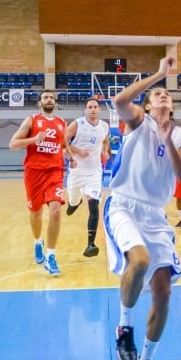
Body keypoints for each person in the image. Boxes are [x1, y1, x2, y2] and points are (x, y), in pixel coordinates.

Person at [105, 56, 181, 360]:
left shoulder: (180, 135)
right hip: (124, 205)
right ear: (148, 105)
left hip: (156, 216)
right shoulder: (137, 122)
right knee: (138, 260)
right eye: (157, 94)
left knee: (163, 291)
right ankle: (124, 328)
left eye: (165, 93)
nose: (163, 96)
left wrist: (168, 137)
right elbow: (119, 101)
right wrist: (158, 74)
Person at [8, 90, 71, 277]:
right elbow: (13, 144)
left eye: (51, 97)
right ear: (40, 103)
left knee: (56, 210)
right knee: (36, 214)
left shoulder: (62, 123)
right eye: (45, 97)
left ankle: (51, 256)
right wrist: (34, 139)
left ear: (55, 102)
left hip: (54, 171)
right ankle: (37, 242)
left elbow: (64, 146)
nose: (49, 100)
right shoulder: (31, 120)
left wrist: (72, 157)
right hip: (34, 172)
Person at [64, 98, 111, 258]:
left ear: (99, 109)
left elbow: (105, 140)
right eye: (90, 107)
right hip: (77, 172)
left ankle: (91, 244)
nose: (92, 109)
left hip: (94, 173)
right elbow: (63, 143)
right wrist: (77, 152)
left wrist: (105, 150)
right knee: (73, 201)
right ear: (85, 110)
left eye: (95, 107)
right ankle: (74, 203)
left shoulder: (104, 126)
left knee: (94, 206)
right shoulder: (77, 124)